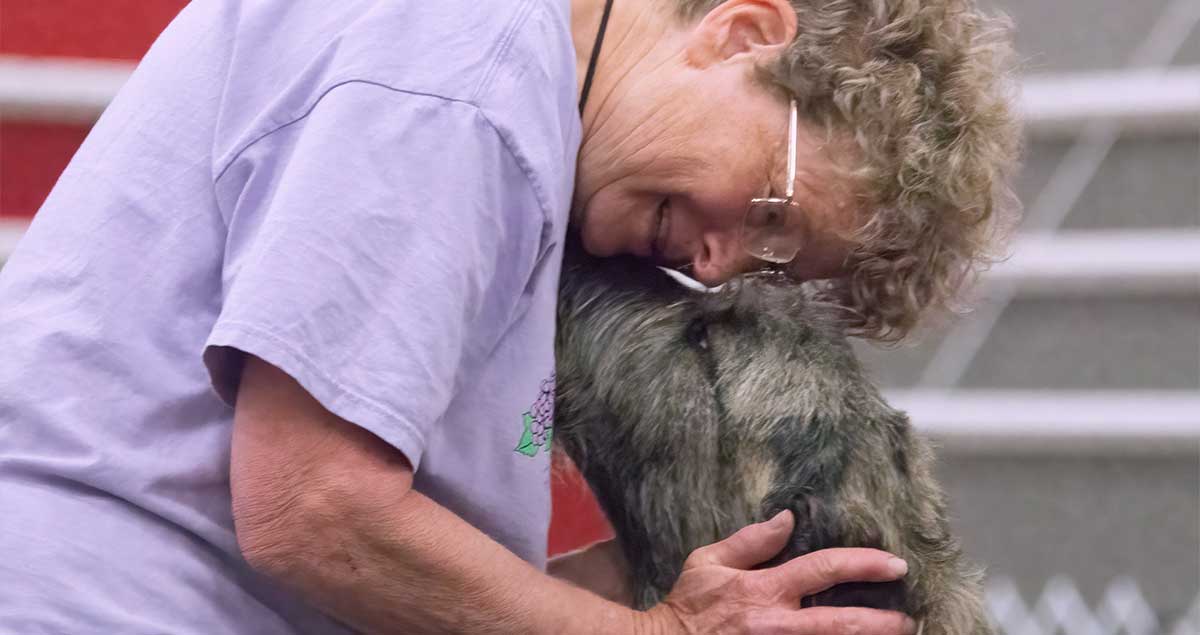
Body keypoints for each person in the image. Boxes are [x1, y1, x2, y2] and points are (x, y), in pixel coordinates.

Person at [0, 0, 1018, 632]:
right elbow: (312, 510)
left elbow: (366, 545)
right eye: (771, 211)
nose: (719, 261)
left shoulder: (521, 139)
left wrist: (650, 582)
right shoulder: (464, 77)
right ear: (744, 33)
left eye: (769, 265)